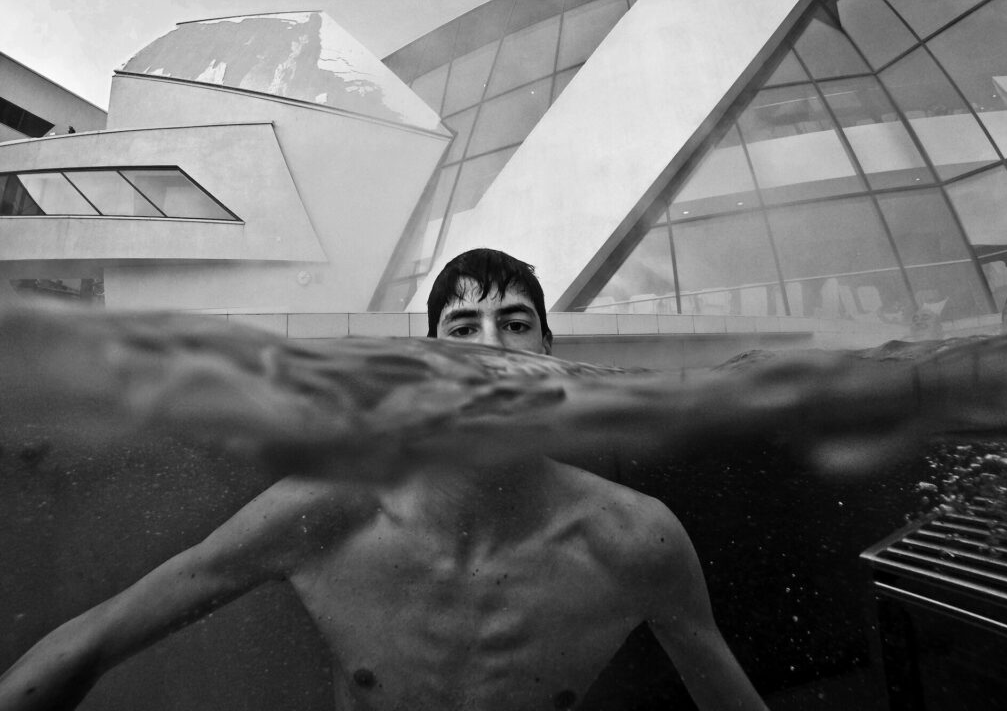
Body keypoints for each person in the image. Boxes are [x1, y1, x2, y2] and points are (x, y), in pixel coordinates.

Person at [0, 248, 768, 711]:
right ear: (429, 361)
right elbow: (100, 635)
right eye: (462, 330)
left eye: (516, 323)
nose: (491, 349)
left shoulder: (636, 539)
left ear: (549, 355)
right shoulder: (329, 511)